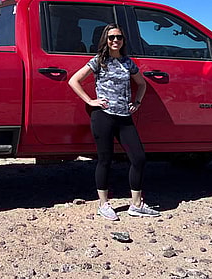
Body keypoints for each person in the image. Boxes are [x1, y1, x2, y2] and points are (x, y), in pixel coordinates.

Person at [68, 23, 160, 221]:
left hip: (124, 117)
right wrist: (90, 100)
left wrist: (137, 102)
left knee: (138, 158)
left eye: (119, 37)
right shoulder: (98, 61)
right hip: (103, 116)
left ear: (123, 40)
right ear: (106, 40)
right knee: (105, 159)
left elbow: (142, 84)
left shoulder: (128, 63)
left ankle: (136, 205)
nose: (115, 40)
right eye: (111, 37)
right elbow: (73, 80)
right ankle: (103, 204)